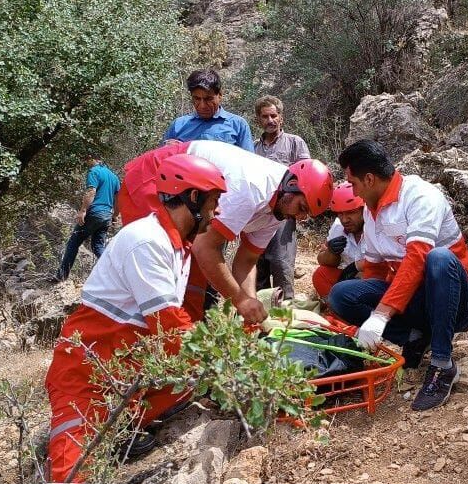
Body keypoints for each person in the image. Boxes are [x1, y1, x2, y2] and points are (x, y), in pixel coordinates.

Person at [44, 155, 226, 484]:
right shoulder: (147, 241)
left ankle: (120, 431)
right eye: (214, 202)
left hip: (123, 366)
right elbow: (170, 327)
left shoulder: (176, 246)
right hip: (85, 374)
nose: (217, 212)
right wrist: (225, 361)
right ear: (193, 198)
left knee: (193, 376)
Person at [328, 140, 468, 411]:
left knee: (439, 258)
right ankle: (414, 337)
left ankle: (443, 364)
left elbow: (417, 258)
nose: (353, 191)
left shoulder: (421, 196)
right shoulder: (370, 212)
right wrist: (367, 326)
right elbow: (375, 270)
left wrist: (381, 315)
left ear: (370, 179)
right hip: (418, 302)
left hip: (455, 301)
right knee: (341, 295)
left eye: (353, 184)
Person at [116, 140, 334, 324]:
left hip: (186, 187)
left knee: (194, 273)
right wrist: (240, 300)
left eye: (307, 215)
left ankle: (185, 333)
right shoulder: (251, 188)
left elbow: (247, 260)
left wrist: (250, 305)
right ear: (292, 185)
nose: (300, 218)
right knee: (164, 260)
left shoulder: (280, 208)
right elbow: (205, 248)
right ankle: (147, 337)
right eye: (302, 208)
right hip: (157, 178)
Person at [252, 95, 312, 299]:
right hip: (257, 215)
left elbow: (307, 177)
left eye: (273, 115)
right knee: (258, 268)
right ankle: (260, 321)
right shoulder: (252, 147)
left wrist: (303, 208)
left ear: (281, 118)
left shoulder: (295, 143)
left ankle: (285, 320)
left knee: (281, 265)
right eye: (264, 116)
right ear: (258, 120)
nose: (269, 120)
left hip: (283, 215)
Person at [54, 155, 120, 282]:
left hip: (94, 212)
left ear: (95, 158)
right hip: (106, 215)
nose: (86, 161)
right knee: (98, 246)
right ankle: (115, 273)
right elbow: (119, 199)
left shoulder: (94, 172)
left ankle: (61, 276)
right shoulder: (113, 176)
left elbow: (91, 192)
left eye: (87, 158)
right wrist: (115, 215)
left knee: (74, 242)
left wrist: (83, 210)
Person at [162, 69, 253, 150]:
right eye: (197, 99)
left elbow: (248, 163)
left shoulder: (238, 125)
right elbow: (162, 161)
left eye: (208, 99)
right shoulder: (178, 126)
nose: (202, 106)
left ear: (220, 95)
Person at [313, 182, 365, 299]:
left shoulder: (376, 227)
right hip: (347, 280)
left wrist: (357, 270)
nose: (345, 219)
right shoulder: (338, 227)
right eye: (340, 213)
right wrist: (331, 252)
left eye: (351, 212)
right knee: (321, 274)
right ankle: (335, 310)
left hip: (372, 279)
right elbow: (322, 260)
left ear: (363, 209)